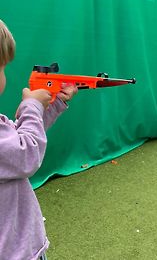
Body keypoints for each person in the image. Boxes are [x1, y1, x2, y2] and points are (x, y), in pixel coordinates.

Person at [0, 19, 78, 260]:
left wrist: (52, 106)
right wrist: (32, 105)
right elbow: (25, 154)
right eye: (1, 67)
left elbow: (16, 142)